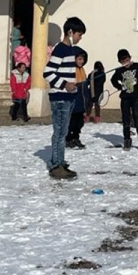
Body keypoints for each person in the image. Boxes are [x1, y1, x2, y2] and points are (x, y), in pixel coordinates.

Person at [43, 16, 86, 180]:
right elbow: (47, 72)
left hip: (68, 98)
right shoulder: (61, 49)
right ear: (70, 32)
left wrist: (73, 85)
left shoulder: (69, 51)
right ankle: (56, 165)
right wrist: (65, 85)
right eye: (79, 34)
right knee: (60, 133)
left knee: (64, 132)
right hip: (60, 98)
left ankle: (60, 161)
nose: (80, 38)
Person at [110, 49, 138, 150]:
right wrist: (119, 86)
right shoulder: (119, 70)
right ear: (119, 62)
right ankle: (127, 140)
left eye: (127, 60)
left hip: (136, 98)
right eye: (123, 62)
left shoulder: (137, 67)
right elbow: (113, 80)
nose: (125, 63)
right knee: (126, 120)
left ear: (130, 58)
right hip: (125, 99)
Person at [66, 47, 89, 150]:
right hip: (73, 100)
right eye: (79, 59)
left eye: (82, 59)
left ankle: (76, 137)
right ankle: (69, 139)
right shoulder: (71, 70)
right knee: (71, 121)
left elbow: (85, 86)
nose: (81, 61)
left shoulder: (82, 70)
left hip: (81, 101)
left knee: (79, 122)